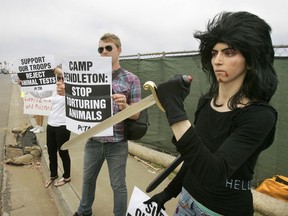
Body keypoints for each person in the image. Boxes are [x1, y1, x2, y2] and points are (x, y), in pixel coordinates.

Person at [144, 11, 278, 215]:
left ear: (251, 61)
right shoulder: (206, 102)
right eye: (215, 53)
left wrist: (174, 108)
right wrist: (168, 193)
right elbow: (194, 159)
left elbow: (213, 172)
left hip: (221, 210)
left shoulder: (260, 116)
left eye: (229, 52)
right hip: (186, 201)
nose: (217, 60)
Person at [67, 33, 141, 216]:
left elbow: (136, 114)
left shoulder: (131, 79)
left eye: (108, 48)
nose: (104, 52)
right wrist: (64, 93)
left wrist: (124, 106)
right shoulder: (89, 77)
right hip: (93, 140)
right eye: (100, 49)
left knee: (118, 185)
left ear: (119, 50)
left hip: (117, 143)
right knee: (88, 180)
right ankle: (84, 211)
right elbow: (77, 98)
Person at [31, 67, 72, 188]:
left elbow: (73, 82)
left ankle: (67, 176)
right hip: (51, 125)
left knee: (63, 152)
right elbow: (39, 94)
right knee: (51, 151)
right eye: (58, 79)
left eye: (62, 79)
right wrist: (26, 85)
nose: (59, 81)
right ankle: (53, 175)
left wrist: (60, 71)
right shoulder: (54, 89)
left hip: (63, 126)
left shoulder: (71, 91)